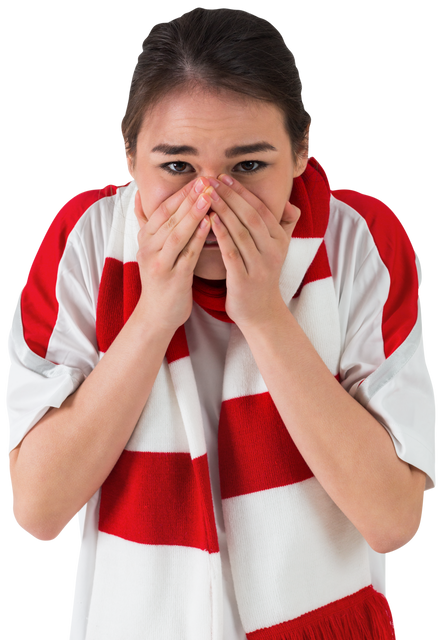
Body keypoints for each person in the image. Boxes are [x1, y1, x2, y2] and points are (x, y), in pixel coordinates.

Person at [4, 6, 437, 640]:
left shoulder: (361, 240)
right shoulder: (85, 239)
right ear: (128, 156)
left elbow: (394, 519)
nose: (210, 203)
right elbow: (38, 510)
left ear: (301, 149)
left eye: (249, 167)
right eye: (177, 168)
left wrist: (264, 315)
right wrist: (153, 315)